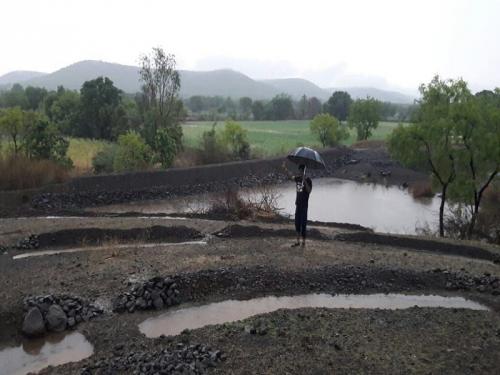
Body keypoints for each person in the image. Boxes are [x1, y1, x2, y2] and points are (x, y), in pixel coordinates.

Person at [292, 164, 312, 247]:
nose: (299, 172)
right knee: (297, 223)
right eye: (299, 171)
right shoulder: (298, 179)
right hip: (298, 205)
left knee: (303, 224)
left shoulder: (308, 180)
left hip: (304, 206)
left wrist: (305, 180)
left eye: (301, 171)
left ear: (304, 171)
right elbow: (291, 177)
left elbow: (309, 190)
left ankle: (303, 242)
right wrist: (284, 169)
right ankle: (297, 241)